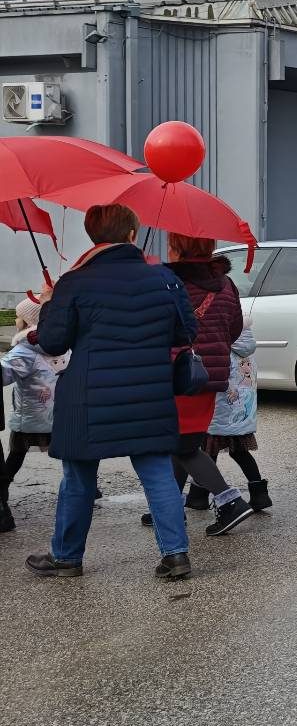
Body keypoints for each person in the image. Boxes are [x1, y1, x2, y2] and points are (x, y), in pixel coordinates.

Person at [26, 204, 198, 580]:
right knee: (157, 474)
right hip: (149, 394)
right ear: (132, 235)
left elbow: (53, 342)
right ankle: (176, 555)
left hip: (89, 398)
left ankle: (67, 557)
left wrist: (51, 302)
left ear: (92, 236)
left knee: (78, 478)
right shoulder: (165, 280)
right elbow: (187, 332)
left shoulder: (74, 282)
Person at [162, 235, 252, 536]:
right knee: (183, 442)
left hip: (178, 373)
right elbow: (235, 327)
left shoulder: (171, 283)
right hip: (210, 373)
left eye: (171, 244)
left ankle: (229, 501)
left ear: (178, 249)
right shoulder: (226, 284)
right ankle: (169, 506)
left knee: (181, 445)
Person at [0, 295, 62, 533]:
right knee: (67, 453)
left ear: (27, 321)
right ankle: (89, 487)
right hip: (56, 413)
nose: (16, 319)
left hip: (30, 417)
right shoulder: (58, 344)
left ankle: (2, 490)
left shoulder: (24, 349)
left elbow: (5, 375)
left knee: (16, 453)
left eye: (19, 315)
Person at [204, 325, 271, 516]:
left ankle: (198, 494)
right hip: (241, 413)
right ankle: (259, 494)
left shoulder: (223, 349)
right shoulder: (246, 350)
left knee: (208, 452)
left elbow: (219, 377)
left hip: (221, 412)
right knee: (238, 452)